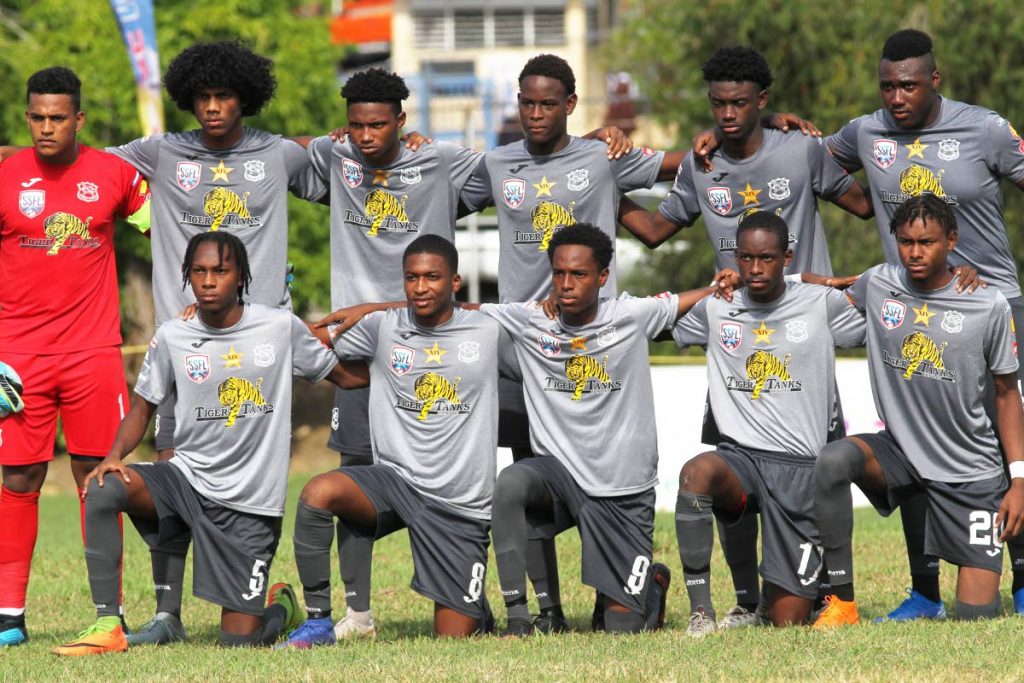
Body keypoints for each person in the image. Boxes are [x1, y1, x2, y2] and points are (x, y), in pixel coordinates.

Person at [104, 40, 328, 645]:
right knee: (171, 466)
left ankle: (263, 598)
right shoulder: (160, 152)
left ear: (245, 98)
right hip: (186, 343)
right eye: (201, 96)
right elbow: (83, 168)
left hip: (259, 346)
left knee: (242, 485)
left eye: (224, 95)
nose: (211, 107)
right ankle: (167, 615)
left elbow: (355, 166)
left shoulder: (279, 155)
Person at [51, 232, 367, 655]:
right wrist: (112, 457)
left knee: (238, 643)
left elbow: (343, 377)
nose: (209, 281)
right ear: (187, 276)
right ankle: (108, 622)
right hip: (187, 481)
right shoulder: (173, 334)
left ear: (240, 276)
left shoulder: (278, 327)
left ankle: (281, 608)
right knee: (104, 487)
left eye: (220, 271)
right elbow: (143, 409)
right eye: (198, 271)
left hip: (250, 505)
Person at [458, 53, 684, 631]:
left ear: (570, 106)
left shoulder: (600, 157)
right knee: (526, 481)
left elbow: (678, 166)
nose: (535, 114)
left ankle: (632, 579)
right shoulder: (497, 163)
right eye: (526, 103)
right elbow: (431, 183)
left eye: (548, 104)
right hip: (520, 351)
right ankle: (544, 612)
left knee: (589, 473)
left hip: (590, 348)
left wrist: (750, 136)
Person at [823, 28, 1024, 620]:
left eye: (908, 85)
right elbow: (807, 161)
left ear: (934, 80)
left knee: (996, 445)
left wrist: (978, 274)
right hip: (913, 308)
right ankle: (923, 590)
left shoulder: (984, 128)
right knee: (916, 437)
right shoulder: (866, 132)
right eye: (886, 86)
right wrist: (859, 202)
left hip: (989, 307)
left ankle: (1020, 580)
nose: (895, 97)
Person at [477, 223, 738, 635]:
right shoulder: (530, 321)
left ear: (602, 277)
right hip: (560, 478)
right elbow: (454, 309)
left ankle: (650, 585)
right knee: (510, 484)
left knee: (621, 628)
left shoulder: (631, 315)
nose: (566, 284)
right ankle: (524, 617)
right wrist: (369, 310)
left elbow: (689, 300)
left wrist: (719, 285)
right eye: (559, 273)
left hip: (622, 488)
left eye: (578, 274)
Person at [281, 235, 513, 646]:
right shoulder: (383, 328)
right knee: (319, 492)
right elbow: (311, 338)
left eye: (432, 277)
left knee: (454, 640)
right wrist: (275, 306)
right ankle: (319, 621)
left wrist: (373, 304)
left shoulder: (489, 329)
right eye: (412, 278)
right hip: (396, 482)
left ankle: (474, 607)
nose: (420, 287)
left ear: (455, 281)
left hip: (459, 504)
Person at [813, 194, 1024, 627]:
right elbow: (819, 291)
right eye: (905, 241)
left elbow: (1007, 394)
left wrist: (1018, 480)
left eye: (926, 242)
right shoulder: (879, 283)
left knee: (976, 617)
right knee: (833, 460)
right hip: (902, 456)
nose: (914, 252)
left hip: (970, 470)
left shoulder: (988, 304)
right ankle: (843, 604)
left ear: (951, 240)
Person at [0, 67, 150, 647]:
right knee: (19, 476)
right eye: (36, 117)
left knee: (99, 479)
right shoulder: (7, 175)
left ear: (78, 119)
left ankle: (107, 616)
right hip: (18, 357)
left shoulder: (114, 175)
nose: (45, 127)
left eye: (57, 117)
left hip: (93, 354)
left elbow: (166, 231)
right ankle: (9, 616)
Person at [671, 212, 865, 636]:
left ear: (786, 257)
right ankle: (705, 612)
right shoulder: (717, 307)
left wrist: (817, 280)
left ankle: (801, 591)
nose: (755, 269)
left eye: (766, 259)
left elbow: (884, 313)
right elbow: (653, 318)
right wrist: (709, 287)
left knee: (786, 621)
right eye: (745, 258)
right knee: (697, 473)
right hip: (740, 459)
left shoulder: (821, 304)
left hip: (800, 468)